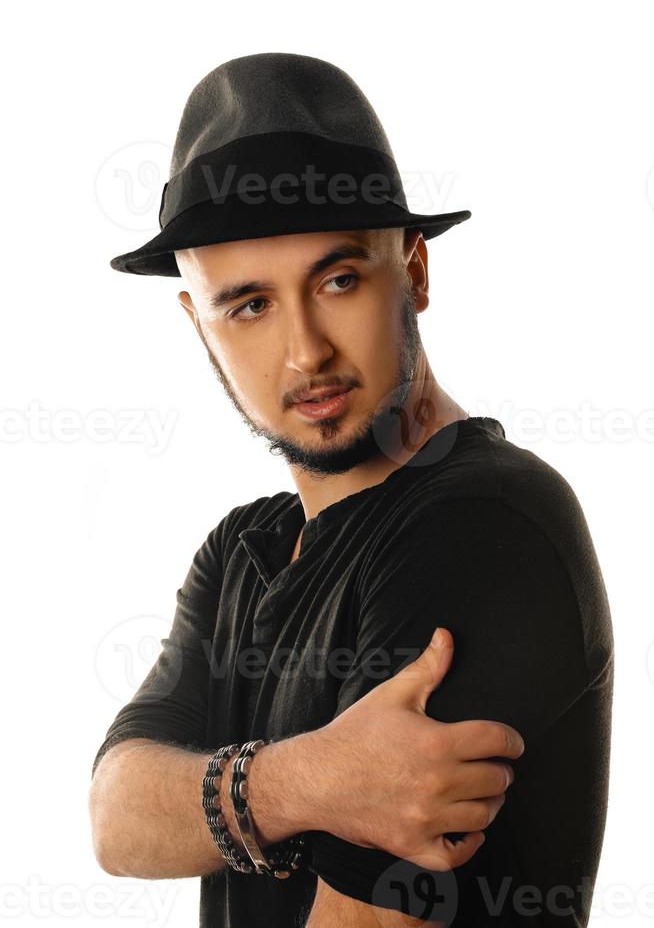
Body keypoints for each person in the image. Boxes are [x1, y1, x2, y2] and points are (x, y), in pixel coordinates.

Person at [89, 54, 614, 927]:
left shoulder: (482, 520)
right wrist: (306, 783)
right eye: (248, 305)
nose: (305, 353)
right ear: (199, 326)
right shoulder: (242, 553)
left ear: (413, 271)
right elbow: (115, 819)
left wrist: (222, 800)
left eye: (338, 281)